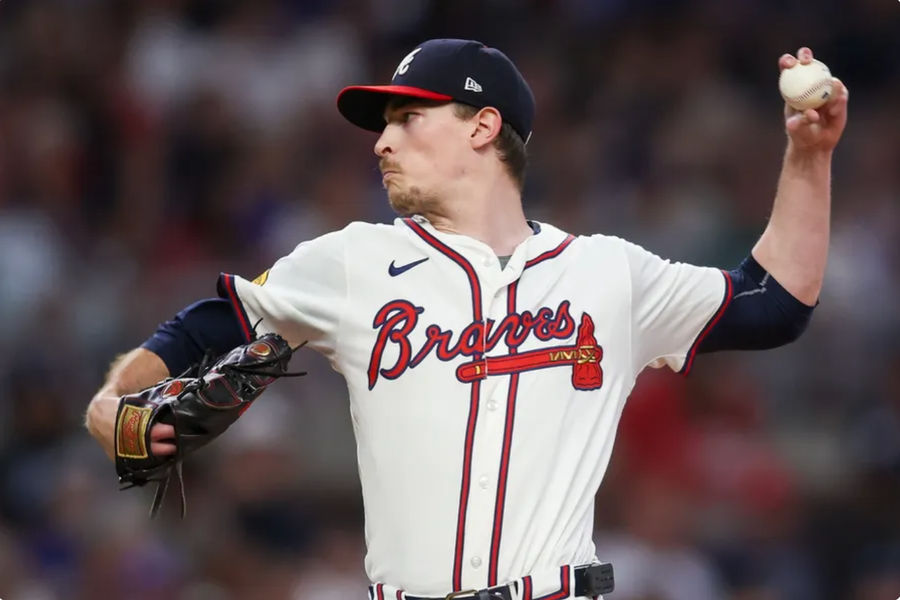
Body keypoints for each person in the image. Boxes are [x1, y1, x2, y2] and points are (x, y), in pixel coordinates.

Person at [86, 39, 848, 600]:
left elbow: (772, 304)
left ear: (483, 128)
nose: (382, 140)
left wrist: (808, 158)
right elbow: (203, 326)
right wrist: (109, 404)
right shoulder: (351, 262)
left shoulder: (608, 273)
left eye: (409, 119)